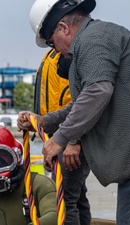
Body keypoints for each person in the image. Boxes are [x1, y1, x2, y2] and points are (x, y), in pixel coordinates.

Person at [17, 0, 130, 224]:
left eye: (51, 42)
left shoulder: (93, 39)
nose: (55, 50)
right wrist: (46, 121)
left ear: (63, 28)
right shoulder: (93, 42)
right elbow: (83, 101)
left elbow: (98, 92)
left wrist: (62, 137)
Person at [30, 9, 91, 222]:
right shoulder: (51, 59)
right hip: (58, 139)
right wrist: (39, 123)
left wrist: (75, 140)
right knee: (76, 194)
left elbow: (83, 104)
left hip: (69, 140)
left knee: (66, 199)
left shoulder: (71, 58)